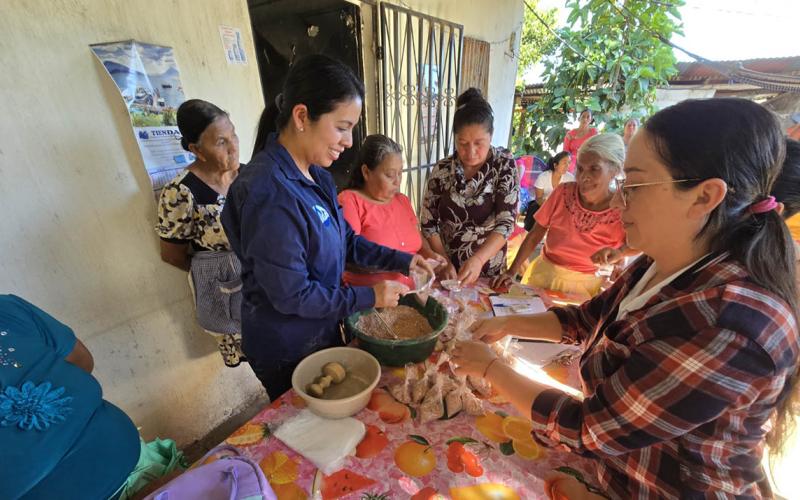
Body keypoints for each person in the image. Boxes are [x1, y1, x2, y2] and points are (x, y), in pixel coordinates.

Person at [453, 98, 800, 498]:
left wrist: (493, 370)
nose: (619, 201)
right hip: (619, 476)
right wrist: (506, 323)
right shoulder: (662, 262)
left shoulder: (730, 323)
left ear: (704, 197)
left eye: (633, 185)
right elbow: (585, 321)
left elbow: (589, 428)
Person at [221, 55, 433, 399]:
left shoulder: (317, 175)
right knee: (308, 430)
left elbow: (347, 242)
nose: (349, 142)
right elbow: (292, 294)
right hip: (286, 346)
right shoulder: (269, 193)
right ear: (302, 116)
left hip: (320, 330)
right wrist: (370, 296)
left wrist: (403, 261)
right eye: (342, 127)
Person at [0, 295, 140, 499]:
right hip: (117, 448)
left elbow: (81, 359)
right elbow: (81, 360)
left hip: (112, 456)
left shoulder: (6, 308)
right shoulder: (7, 308)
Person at [155, 99, 245, 367]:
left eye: (234, 135)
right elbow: (172, 254)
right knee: (250, 351)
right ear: (196, 149)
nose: (234, 147)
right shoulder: (180, 192)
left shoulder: (249, 175)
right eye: (221, 142)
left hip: (262, 279)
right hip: (224, 285)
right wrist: (216, 268)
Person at [495, 134, 630, 298]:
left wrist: (621, 255)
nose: (583, 177)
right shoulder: (563, 192)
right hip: (544, 276)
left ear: (615, 170)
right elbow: (536, 233)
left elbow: (638, 243)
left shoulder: (622, 208)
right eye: (580, 168)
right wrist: (511, 271)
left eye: (594, 169)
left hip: (588, 289)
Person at [419, 88, 520, 285]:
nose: (470, 152)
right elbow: (428, 222)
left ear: (491, 136)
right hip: (448, 269)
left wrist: (479, 259)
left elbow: (506, 222)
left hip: (488, 268)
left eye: (478, 143)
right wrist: (443, 260)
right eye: (463, 143)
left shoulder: (504, 164)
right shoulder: (442, 170)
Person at [338, 134, 446, 288]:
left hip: (411, 294)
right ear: (366, 172)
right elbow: (349, 256)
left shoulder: (402, 201)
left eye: (400, 173)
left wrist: (430, 256)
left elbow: (419, 243)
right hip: (372, 301)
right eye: (389, 175)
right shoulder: (350, 201)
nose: (397, 181)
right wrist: (401, 262)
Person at [523, 152, 574, 231]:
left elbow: (571, 199)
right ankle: (530, 233)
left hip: (562, 207)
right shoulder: (543, 177)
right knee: (534, 208)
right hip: (543, 205)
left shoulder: (570, 178)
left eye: (569, 163)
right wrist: (550, 207)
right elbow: (538, 198)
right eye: (564, 163)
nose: (567, 165)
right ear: (555, 165)